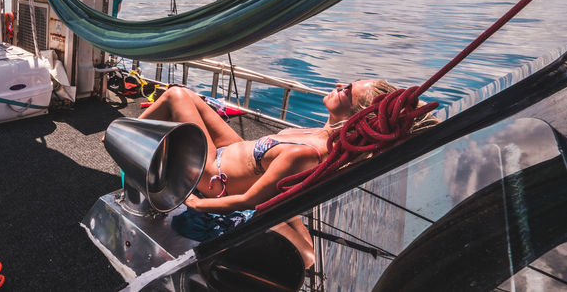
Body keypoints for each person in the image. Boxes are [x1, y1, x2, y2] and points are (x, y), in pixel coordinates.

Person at [138, 80, 436, 214]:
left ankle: (129, 135)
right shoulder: (317, 134)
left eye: (346, 90)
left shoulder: (306, 154)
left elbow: (248, 201)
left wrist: (195, 203)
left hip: (216, 176)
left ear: (356, 114)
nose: (337, 84)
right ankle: (133, 132)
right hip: (235, 151)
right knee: (189, 95)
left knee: (177, 95)